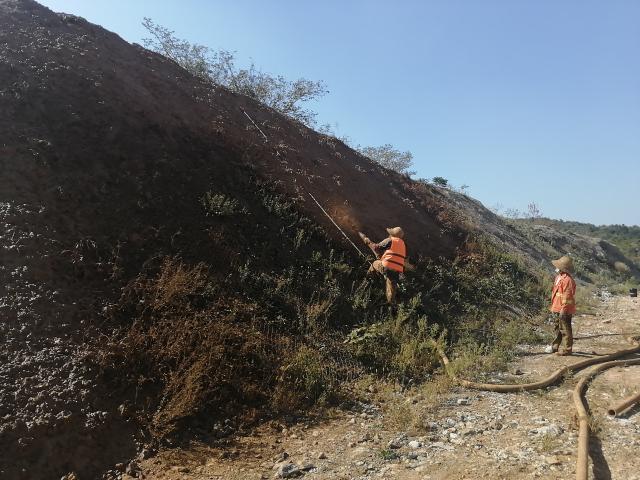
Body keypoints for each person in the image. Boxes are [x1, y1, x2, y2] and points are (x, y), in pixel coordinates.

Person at [358, 227, 407, 304]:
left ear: (392, 234)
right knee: (391, 288)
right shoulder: (403, 244)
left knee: (374, 264)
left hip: (386, 267)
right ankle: (392, 304)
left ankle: (368, 280)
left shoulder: (390, 240)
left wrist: (367, 240)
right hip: (397, 271)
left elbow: (376, 247)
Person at [545, 255, 577, 356]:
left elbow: (567, 296)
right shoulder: (559, 277)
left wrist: (564, 309)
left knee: (565, 329)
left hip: (564, 308)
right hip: (557, 306)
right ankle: (555, 346)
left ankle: (567, 349)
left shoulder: (567, 280)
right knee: (557, 328)